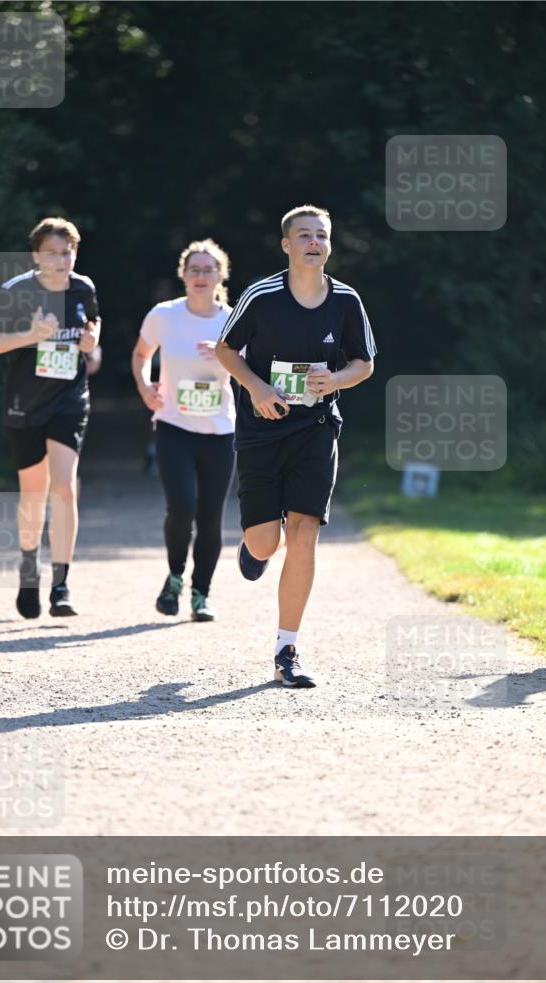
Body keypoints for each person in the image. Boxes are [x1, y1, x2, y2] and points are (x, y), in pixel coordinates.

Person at [215, 204, 376, 688]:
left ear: (329, 244)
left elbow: (363, 363)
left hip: (317, 427)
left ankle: (287, 648)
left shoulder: (346, 300)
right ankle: (254, 546)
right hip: (262, 428)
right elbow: (226, 349)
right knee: (268, 540)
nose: (313, 242)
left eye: (321, 236)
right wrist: (257, 389)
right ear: (286, 245)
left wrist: (337, 379)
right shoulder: (261, 296)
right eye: (303, 235)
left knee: (305, 533)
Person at [0, 217, 101, 619]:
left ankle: (61, 586)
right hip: (25, 404)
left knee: (64, 487)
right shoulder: (18, 291)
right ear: (36, 255)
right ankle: (29, 570)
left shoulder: (84, 289)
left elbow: (93, 344)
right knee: (33, 493)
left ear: (75, 253)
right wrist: (30, 335)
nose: (61, 260)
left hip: (70, 399)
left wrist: (91, 345)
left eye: (67, 252)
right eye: (52, 253)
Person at [132, 239, 235, 622]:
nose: (201, 276)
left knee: (210, 517)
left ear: (220, 276)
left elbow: (256, 367)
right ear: (183, 274)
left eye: (209, 270)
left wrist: (227, 355)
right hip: (173, 425)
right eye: (194, 269)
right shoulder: (165, 315)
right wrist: (145, 386)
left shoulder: (233, 318)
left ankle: (201, 593)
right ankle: (175, 577)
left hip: (220, 431)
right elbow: (142, 355)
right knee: (181, 507)